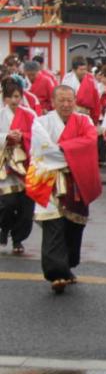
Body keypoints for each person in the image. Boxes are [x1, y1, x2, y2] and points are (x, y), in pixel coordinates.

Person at [26, 85, 102, 293]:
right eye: (62, 100)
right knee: (53, 225)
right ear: (53, 102)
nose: (66, 104)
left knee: (73, 227)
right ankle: (56, 274)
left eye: (70, 100)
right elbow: (43, 151)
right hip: (50, 179)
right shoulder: (41, 122)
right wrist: (73, 153)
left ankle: (66, 267)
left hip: (76, 180)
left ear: (75, 101)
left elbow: (89, 143)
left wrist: (63, 149)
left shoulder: (84, 121)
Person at [0, 81, 35, 255]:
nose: (14, 100)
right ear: (4, 98)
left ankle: (18, 238)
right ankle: (4, 228)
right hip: (6, 165)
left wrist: (23, 136)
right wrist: (6, 136)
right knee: (8, 203)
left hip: (25, 164)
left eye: (16, 96)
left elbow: (38, 136)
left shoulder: (29, 115)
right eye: (10, 97)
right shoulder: (1, 115)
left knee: (26, 209)